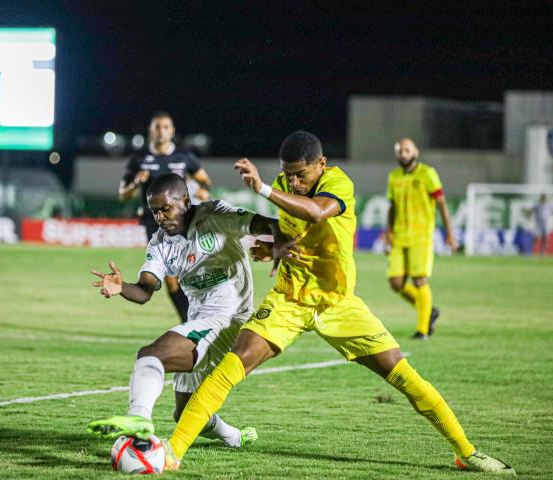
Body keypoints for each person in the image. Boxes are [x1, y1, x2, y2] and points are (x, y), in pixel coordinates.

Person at [160, 131, 516, 475]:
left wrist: (264, 188)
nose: (294, 182)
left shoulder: (338, 184)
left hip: (338, 303)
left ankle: (466, 452)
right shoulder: (284, 185)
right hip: (290, 298)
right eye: (287, 175)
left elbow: (316, 213)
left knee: (404, 376)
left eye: (301, 175)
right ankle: (172, 453)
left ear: (321, 164)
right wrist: (275, 246)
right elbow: (293, 226)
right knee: (232, 365)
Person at [87, 173, 286, 449]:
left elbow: (268, 223)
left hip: (230, 319)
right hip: (200, 320)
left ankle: (138, 418)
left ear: (185, 201)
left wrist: (278, 244)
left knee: (150, 354)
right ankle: (235, 438)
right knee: (184, 413)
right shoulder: (160, 243)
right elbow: (145, 291)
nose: (159, 217)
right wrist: (122, 288)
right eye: (154, 211)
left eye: (165, 209)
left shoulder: (215, 215)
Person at [119, 112, 212, 323]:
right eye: (157, 127)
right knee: (172, 279)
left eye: (165, 127)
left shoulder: (183, 156)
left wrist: (201, 190)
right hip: (155, 222)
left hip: (183, 221)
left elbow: (205, 181)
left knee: (188, 273)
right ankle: (190, 323)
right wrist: (135, 182)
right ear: (150, 131)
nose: (161, 131)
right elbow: (122, 194)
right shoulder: (140, 158)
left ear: (172, 131)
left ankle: (196, 321)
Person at [385, 138, 457, 339]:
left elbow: (441, 203)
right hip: (399, 236)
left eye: (407, 150)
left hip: (421, 237)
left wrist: (449, 234)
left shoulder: (427, 174)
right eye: (400, 151)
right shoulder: (394, 177)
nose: (403, 154)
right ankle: (428, 310)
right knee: (395, 283)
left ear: (415, 152)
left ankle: (422, 330)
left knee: (419, 280)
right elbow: (392, 207)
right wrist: (388, 234)